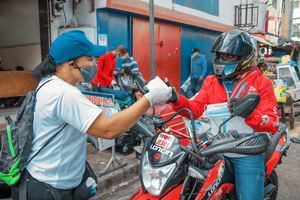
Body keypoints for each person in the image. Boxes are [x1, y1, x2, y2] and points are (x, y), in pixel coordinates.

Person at [12, 30, 172, 199]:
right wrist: (150, 98)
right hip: (48, 189)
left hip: (48, 181)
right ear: (70, 63)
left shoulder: (49, 84)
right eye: (89, 59)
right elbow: (108, 130)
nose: (94, 64)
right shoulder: (63, 93)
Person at [170, 30, 279, 200]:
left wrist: (250, 114)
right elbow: (194, 109)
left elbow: (272, 123)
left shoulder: (261, 83)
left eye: (229, 56)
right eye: (221, 55)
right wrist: (175, 99)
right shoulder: (211, 81)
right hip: (214, 149)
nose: (222, 60)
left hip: (246, 152)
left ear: (245, 57)